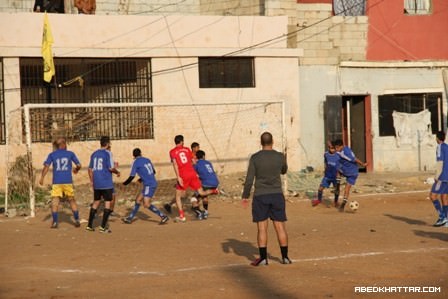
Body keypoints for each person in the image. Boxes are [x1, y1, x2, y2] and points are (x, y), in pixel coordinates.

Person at [242, 132, 291, 266]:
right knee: (280, 226)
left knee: (262, 228)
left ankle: (263, 258)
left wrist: (245, 196)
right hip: (276, 194)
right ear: (272, 141)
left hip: (260, 195)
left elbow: (249, 179)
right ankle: (285, 257)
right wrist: (284, 160)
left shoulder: (255, 158)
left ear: (260, 142)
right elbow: (283, 171)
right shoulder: (279, 156)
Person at [168, 135, 217, 222]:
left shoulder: (172, 151)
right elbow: (194, 161)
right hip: (192, 173)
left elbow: (175, 164)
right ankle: (214, 191)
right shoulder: (187, 149)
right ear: (182, 142)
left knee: (178, 196)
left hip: (183, 174)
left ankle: (182, 216)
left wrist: (178, 177)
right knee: (201, 192)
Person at [39, 137, 81, 228]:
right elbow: (79, 165)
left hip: (56, 182)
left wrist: (42, 177)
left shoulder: (52, 155)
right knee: (71, 200)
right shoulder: (70, 154)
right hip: (67, 181)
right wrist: (76, 170)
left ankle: (55, 222)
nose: (66, 145)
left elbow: (46, 167)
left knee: (55, 201)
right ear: (63, 144)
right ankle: (77, 220)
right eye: (65, 143)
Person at [121, 148, 169, 225]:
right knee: (138, 200)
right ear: (140, 153)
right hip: (150, 183)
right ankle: (130, 218)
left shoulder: (135, 162)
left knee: (146, 204)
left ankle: (163, 216)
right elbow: (153, 171)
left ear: (133, 156)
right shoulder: (147, 159)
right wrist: (141, 179)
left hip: (149, 185)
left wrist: (124, 184)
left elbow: (132, 176)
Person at [86, 136, 120, 233]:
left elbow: (90, 169)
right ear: (108, 144)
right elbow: (110, 168)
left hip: (97, 182)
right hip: (106, 182)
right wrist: (117, 171)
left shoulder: (94, 154)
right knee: (107, 202)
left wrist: (92, 181)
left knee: (96, 201)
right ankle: (103, 227)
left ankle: (89, 225)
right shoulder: (108, 153)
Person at [332, 139, 367, 212]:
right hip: (350, 170)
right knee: (337, 169)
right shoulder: (341, 150)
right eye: (335, 147)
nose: (336, 149)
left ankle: (342, 202)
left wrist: (362, 164)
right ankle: (338, 189)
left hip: (351, 171)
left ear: (342, 146)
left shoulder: (346, 152)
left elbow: (354, 159)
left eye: (337, 147)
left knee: (346, 189)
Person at [191, 150, 219, 220]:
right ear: (203, 156)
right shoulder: (208, 163)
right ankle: (206, 212)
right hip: (215, 182)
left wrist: (193, 164)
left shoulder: (197, 164)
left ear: (196, 157)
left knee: (193, 199)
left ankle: (199, 213)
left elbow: (192, 173)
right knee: (204, 196)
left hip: (206, 183)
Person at [312, 142, 341, 207]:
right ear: (328, 148)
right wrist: (325, 169)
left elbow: (342, 164)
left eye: (333, 148)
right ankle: (319, 200)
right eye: (330, 148)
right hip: (327, 175)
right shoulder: (326, 154)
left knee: (337, 189)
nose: (332, 150)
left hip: (335, 176)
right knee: (320, 189)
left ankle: (336, 202)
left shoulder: (339, 155)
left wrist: (340, 172)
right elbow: (325, 162)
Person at [430, 131, 448, 227]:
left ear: (437, 138)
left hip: (442, 177)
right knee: (444, 197)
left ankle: (442, 217)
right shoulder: (447, 147)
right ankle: (446, 220)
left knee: (433, 196)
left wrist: (436, 176)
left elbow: (440, 162)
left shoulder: (440, 147)